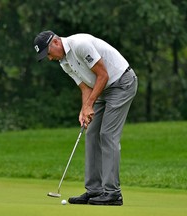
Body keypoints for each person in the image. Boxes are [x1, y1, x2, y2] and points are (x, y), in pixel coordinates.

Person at [33, 30, 137, 206]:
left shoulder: (80, 45)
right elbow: (85, 87)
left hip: (121, 83)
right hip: (102, 89)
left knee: (107, 135)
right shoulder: (64, 62)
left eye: (48, 53)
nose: (49, 58)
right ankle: (94, 190)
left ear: (56, 43)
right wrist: (84, 109)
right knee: (91, 133)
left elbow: (103, 75)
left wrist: (90, 105)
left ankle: (113, 193)